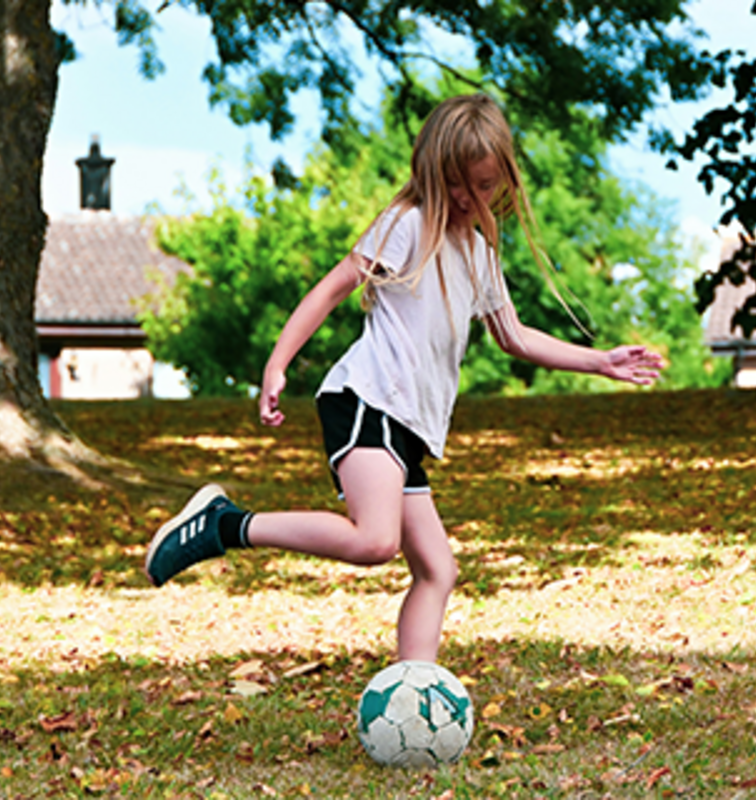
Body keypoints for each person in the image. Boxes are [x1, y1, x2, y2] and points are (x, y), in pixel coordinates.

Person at [143, 93, 663, 663]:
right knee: (375, 541)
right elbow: (335, 285)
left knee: (439, 570)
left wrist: (600, 360)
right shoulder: (409, 224)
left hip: (406, 424)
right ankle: (225, 525)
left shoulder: (481, 250)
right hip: (369, 400)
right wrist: (277, 362)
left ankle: (415, 688)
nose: (469, 198)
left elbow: (512, 335)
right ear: (432, 172)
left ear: (503, 178)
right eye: (457, 184)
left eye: (484, 186)